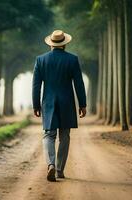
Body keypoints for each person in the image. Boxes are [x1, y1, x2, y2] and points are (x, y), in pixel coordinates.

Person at [32, 30, 87, 182]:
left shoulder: (40, 60)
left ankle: (50, 164)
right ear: (65, 43)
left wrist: (36, 105)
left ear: (50, 44)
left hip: (48, 103)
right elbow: (79, 84)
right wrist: (82, 104)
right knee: (65, 136)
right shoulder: (72, 59)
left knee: (49, 135)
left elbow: (36, 85)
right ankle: (59, 170)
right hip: (67, 103)